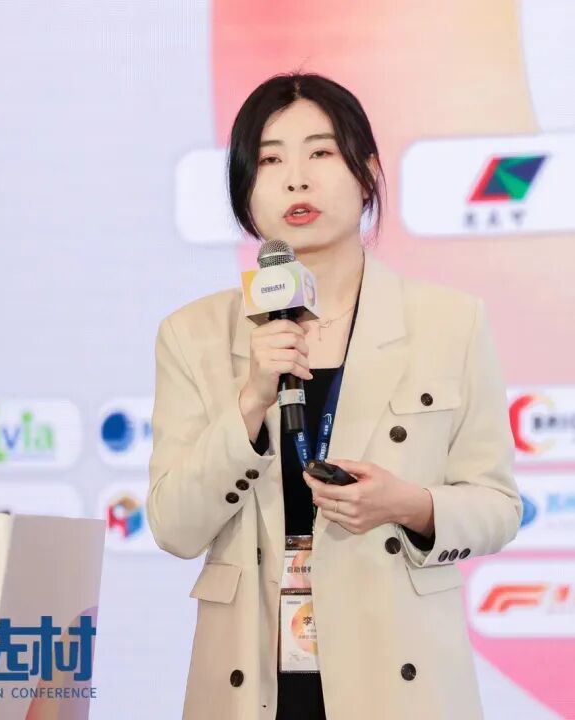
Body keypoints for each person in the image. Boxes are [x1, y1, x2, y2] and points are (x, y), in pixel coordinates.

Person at [147, 72, 522, 720]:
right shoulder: (192, 335)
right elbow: (174, 527)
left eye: (320, 152)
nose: (296, 179)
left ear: (367, 172)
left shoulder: (449, 322)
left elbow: (498, 507)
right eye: (270, 160)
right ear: (244, 188)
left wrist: (409, 504)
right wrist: (250, 402)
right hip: (253, 675)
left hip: (395, 671)